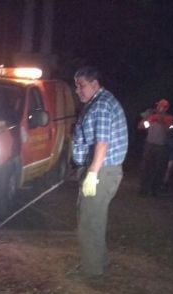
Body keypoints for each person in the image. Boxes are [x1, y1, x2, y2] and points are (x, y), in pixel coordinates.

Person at [72, 66, 128, 279]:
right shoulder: (97, 102)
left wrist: (93, 174)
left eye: (81, 86)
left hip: (103, 171)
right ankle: (99, 261)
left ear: (94, 84)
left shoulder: (102, 106)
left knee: (90, 219)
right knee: (91, 216)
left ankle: (91, 270)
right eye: (76, 86)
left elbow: (102, 144)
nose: (78, 91)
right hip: (98, 169)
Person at [137, 98, 173, 196]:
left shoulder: (170, 118)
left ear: (166, 108)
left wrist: (162, 122)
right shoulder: (152, 116)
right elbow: (141, 127)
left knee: (159, 169)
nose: (158, 107)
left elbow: (172, 132)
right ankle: (144, 189)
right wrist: (147, 119)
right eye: (158, 105)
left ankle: (155, 189)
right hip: (149, 145)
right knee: (146, 167)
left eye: (160, 106)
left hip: (162, 147)